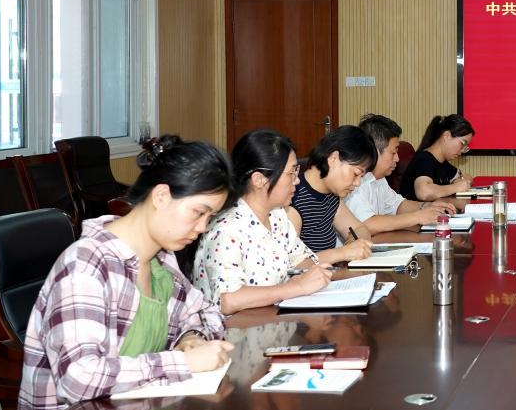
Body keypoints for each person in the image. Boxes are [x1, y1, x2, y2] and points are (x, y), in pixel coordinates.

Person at [17, 136, 235, 410]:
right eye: (198, 212)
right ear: (161, 196)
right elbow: (78, 378)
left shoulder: (161, 261)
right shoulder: (86, 266)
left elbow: (207, 313)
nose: (202, 228)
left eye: (210, 217)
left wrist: (191, 338)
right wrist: (182, 362)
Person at [193, 129, 352, 315]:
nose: (297, 181)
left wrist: (329, 277)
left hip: (275, 321)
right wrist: (296, 288)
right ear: (259, 180)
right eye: (291, 173)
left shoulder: (277, 216)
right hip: (237, 329)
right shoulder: (226, 229)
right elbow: (229, 300)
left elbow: (301, 260)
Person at [347, 114, 456, 234]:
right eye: (393, 152)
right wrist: (418, 217)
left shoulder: (379, 178)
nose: (397, 159)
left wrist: (427, 206)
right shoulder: (355, 182)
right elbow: (367, 224)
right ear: (374, 151)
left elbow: (398, 205)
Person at [289, 124, 376, 257]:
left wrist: (354, 243)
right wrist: (343, 253)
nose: (357, 183)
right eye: (356, 173)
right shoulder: (292, 197)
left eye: (361, 177)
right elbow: (291, 261)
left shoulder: (330, 195)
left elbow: (360, 228)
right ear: (333, 158)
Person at [398, 114, 476, 202]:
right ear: (447, 136)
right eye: (462, 144)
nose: (462, 151)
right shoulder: (424, 160)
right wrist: (455, 187)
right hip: (414, 210)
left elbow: (468, 178)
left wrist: (459, 180)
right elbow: (424, 193)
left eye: (465, 147)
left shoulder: (442, 162)